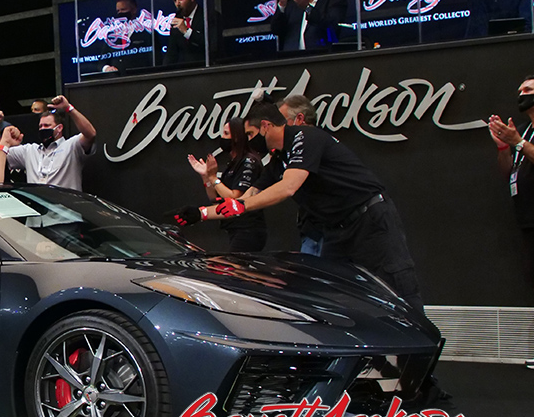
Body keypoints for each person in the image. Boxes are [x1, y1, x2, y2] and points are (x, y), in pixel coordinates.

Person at [182, 101, 424, 313]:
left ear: (265, 126)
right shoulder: (279, 159)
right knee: (334, 295)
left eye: (251, 133)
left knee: (397, 289)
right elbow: (247, 196)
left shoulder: (306, 138)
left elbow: (288, 187)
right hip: (336, 231)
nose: (249, 140)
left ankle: (418, 354)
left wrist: (241, 206)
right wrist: (200, 214)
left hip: (370, 220)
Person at [488, 75, 534, 368]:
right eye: (520, 90)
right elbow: (508, 172)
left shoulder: (524, 136)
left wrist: (516, 141)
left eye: (528, 90)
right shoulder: (527, 130)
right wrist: (504, 147)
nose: (522, 94)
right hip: (528, 218)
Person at [186, 117, 267, 252]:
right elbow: (215, 200)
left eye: (226, 134)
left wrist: (213, 177)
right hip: (232, 228)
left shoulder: (248, 162)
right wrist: (206, 177)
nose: (222, 137)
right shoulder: (233, 163)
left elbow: (234, 198)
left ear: (237, 137)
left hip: (248, 229)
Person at [0, 95, 96, 190]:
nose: (43, 129)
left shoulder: (72, 146)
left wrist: (69, 109)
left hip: (65, 212)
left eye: (47, 126)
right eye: (40, 126)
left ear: (59, 128)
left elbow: (90, 134)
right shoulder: (29, 151)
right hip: (37, 213)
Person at [278, 94, 325, 256]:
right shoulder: (289, 151)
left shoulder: (310, 139)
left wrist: (244, 205)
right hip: (311, 227)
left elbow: (288, 187)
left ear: (299, 118)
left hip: (330, 230)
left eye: (283, 122)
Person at [163, 0, 217, 66]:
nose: (178, 4)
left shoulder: (210, 16)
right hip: (185, 72)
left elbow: (213, 45)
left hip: (206, 68)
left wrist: (186, 31)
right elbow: (171, 54)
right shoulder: (177, 20)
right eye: (175, 0)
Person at [101, 0, 153, 74]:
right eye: (118, 11)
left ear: (134, 10)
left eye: (123, 9)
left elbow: (154, 59)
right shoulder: (112, 35)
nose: (120, 13)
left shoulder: (147, 33)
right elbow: (102, 61)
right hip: (116, 80)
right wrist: (107, 68)